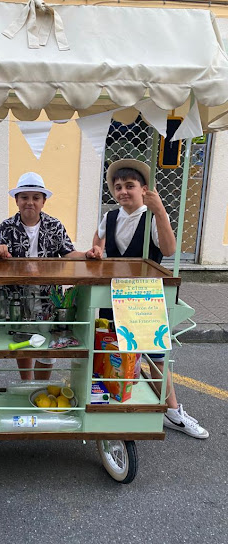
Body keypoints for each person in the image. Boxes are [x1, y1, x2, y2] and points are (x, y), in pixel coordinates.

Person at [87, 159, 209, 439]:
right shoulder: (110, 217)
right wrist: (96, 250)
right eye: (118, 187)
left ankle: (173, 412)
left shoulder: (152, 217)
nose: (123, 192)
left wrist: (161, 212)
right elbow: (98, 240)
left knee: (155, 358)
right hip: (113, 295)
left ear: (143, 189)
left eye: (129, 186)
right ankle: (110, 407)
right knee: (110, 353)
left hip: (144, 298)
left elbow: (168, 248)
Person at [0, 172, 99, 381]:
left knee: (48, 344)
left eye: (35, 197)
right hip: (17, 297)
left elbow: (69, 253)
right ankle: (27, 384)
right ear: (16, 200)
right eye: (24, 197)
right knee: (23, 340)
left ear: (43, 201)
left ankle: (40, 387)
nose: (29, 202)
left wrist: (87, 254)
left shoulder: (55, 225)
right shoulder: (5, 227)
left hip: (49, 297)